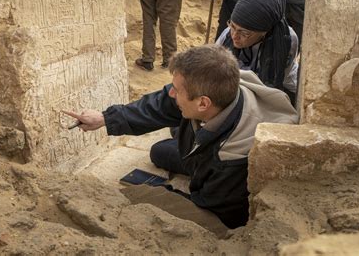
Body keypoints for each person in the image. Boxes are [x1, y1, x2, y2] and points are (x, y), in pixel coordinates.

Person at [64, 45, 298, 229]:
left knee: (146, 195)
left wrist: (155, 196)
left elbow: (215, 213)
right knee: (159, 151)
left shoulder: (236, 158)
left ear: (203, 103)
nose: (172, 92)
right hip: (207, 147)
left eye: (177, 90)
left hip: (221, 174)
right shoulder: (216, 87)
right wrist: (105, 118)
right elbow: (159, 104)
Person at [216, 0, 299, 102]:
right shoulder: (227, 36)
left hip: (278, 85)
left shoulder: (285, 41)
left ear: (265, 31)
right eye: (232, 26)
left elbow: (277, 78)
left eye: (244, 33)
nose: (234, 36)